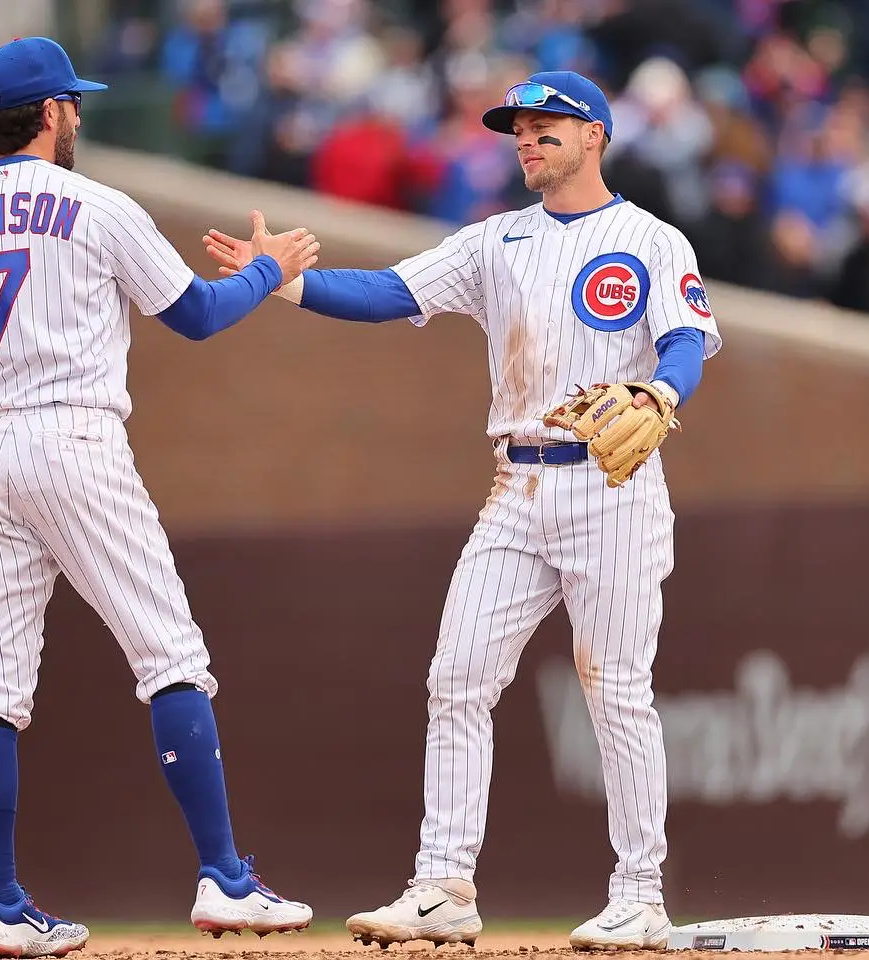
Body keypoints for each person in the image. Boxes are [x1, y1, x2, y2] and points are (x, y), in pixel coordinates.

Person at [204, 70, 721, 951]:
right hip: (517, 482)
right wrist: (280, 284)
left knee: (617, 691)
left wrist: (664, 393)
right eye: (518, 128)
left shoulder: (651, 238)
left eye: (546, 124)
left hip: (615, 487)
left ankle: (639, 894)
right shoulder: (496, 242)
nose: (527, 138)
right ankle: (443, 886)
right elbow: (392, 293)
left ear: (594, 134)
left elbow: (684, 337)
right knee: (457, 677)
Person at [0, 37, 317, 959]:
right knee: (170, 657)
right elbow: (196, 317)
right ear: (50, 113)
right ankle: (225, 878)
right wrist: (267, 270)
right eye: (72, 103)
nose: (77, 115)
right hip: (75, 437)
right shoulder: (94, 204)